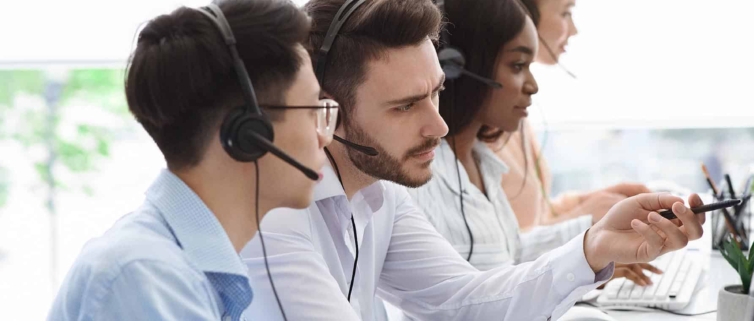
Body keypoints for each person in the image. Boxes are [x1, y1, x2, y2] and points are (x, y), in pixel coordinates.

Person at [241, 0, 706, 320]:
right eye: (405, 106)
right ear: (326, 110)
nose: (438, 127)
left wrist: (595, 246)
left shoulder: (378, 194)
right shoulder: (273, 217)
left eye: (436, 93)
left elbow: (465, 302)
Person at [48, 0, 332, 319]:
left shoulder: (186, 271)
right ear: (248, 134)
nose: (325, 137)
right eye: (311, 111)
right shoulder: (147, 277)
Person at [408, 0, 660, 288]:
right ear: (454, 67)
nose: (533, 86)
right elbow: (467, 299)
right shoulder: (423, 178)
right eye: (518, 65)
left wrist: (597, 239)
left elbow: (510, 254)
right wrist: (581, 265)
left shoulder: (480, 160)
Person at [493, 0, 651, 233]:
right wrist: (585, 220)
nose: (574, 29)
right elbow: (506, 252)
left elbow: (535, 215)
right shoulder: (483, 120)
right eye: (566, 13)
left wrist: (591, 202)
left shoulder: (514, 107)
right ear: (521, 12)